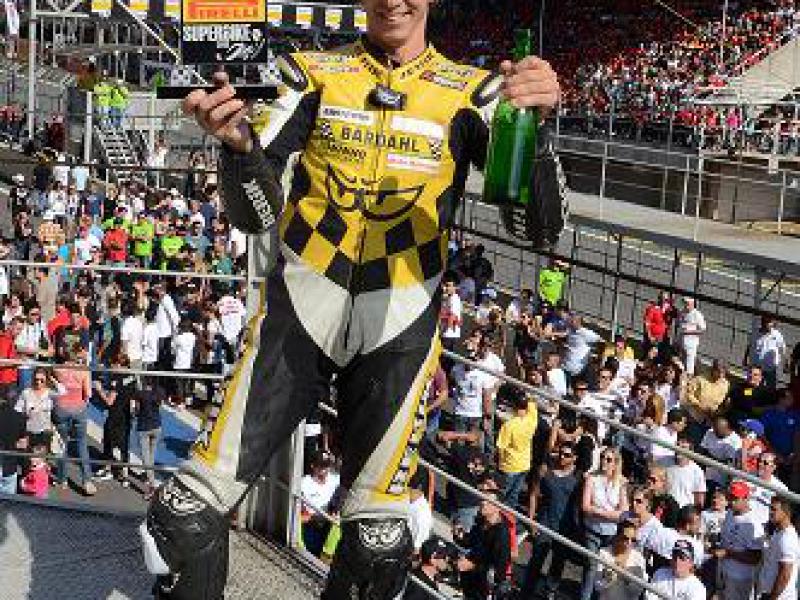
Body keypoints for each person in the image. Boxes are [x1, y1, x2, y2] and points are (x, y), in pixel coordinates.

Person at [140, 3, 564, 599]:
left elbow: (539, 231)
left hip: (401, 327)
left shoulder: (479, 93)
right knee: (183, 518)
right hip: (297, 313)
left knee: (377, 548)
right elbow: (252, 215)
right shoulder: (307, 73)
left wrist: (539, 135)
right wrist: (236, 148)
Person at [581, 447, 629, 600]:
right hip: (592, 529)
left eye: (608, 459)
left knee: (605, 569)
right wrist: (610, 514)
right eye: (602, 457)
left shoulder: (622, 482)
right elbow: (585, 506)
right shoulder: (591, 478)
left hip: (611, 534)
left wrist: (597, 511)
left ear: (615, 463)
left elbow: (624, 512)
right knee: (591, 565)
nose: (604, 461)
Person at [715, 480, 765, 600]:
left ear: (746, 498)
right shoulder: (730, 513)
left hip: (740, 579)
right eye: (730, 497)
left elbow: (755, 558)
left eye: (736, 498)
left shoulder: (754, 524)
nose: (732, 502)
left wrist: (728, 553)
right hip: (723, 571)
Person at [757, 497, 799, 600]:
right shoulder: (778, 531)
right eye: (770, 509)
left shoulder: (787, 538)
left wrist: (773, 597)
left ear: (786, 513)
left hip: (779, 597)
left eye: (774, 509)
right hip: (769, 593)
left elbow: (785, 574)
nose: (770, 512)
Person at [594, 520, 648, 600]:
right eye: (625, 538)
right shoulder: (603, 553)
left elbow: (640, 589)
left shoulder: (639, 558)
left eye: (633, 540)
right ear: (617, 536)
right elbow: (597, 587)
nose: (629, 543)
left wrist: (627, 578)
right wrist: (608, 579)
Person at [678, 298, 706, 376]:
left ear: (692, 304)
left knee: (689, 366)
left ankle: (689, 378)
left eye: (687, 304)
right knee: (681, 365)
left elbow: (702, 330)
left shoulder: (697, 315)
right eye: (685, 303)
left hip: (691, 344)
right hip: (681, 342)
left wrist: (689, 332)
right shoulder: (682, 312)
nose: (685, 306)